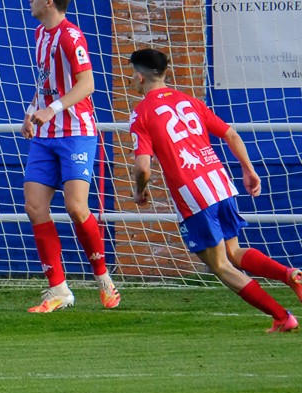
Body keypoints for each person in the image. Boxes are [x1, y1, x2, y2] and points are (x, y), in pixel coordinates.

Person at [127, 48, 300, 332]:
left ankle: (282, 316)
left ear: (138, 76)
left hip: (194, 197)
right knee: (234, 252)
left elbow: (143, 168)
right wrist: (248, 169)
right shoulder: (189, 101)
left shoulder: (141, 114)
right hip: (220, 184)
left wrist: (139, 191)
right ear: (165, 73)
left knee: (220, 266)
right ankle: (290, 274)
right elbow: (230, 134)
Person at [21, 0, 121, 313]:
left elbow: (88, 84)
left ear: (49, 1)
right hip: (46, 135)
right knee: (35, 207)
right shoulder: (39, 33)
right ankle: (59, 290)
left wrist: (52, 108)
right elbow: (45, 81)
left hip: (77, 132)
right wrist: (33, 110)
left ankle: (104, 279)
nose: (30, 0)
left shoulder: (71, 36)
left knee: (77, 208)